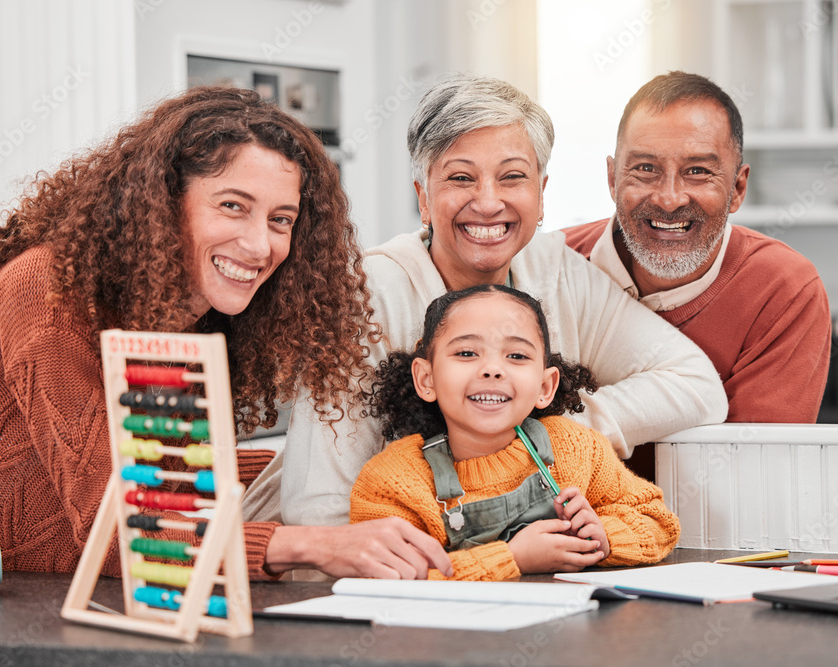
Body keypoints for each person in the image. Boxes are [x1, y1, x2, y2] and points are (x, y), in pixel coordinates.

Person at [0, 86, 452, 581]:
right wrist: (306, 543)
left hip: (18, 588)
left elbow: (164, 477)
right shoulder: (47, 291)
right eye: (232, 206)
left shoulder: (197, 321)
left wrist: (316, 463)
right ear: (161, 199)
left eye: (281, 219)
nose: (259, 244)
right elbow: (122, 536)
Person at [268, 74, 728, 530]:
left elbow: (696, 387)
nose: (488, 203)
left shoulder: (556, 269)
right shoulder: (366, 296)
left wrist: (534, 432)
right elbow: (319, 511)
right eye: (461, 178)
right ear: (423, 198)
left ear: (541, 194)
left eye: (512, 177)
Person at [350, 285, 680, 581]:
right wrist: (513, 558)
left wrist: (604, 536)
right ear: (426, 379)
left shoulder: (576, 447)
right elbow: (387, 578)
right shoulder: (391, 481)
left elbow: (659, 522)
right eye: (466, 353)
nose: (492, 369)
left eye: (516, 355)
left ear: (544, 385)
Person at [564, 71, 831, 423]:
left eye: (698, 171)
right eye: (646, 168)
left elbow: (753, 466)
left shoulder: (783, 289)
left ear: (737, 188)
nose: (670, 199)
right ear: (613, 179)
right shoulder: (554, 265)